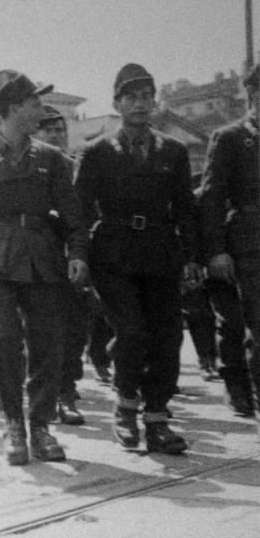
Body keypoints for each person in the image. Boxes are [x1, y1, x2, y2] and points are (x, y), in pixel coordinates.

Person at [0, 74, 89, 465]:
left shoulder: (52, 159)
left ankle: (40, 426)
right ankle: (13, 424)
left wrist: (78, 253)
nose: (41, 111)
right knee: (3, 343)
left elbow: (74, 215)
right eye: (34, 103)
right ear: (12, 109)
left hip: (42, 260)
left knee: (49, 345)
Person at [74, 63, 200, 454]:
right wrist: (78, 255)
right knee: (130, 331)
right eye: (132, 98)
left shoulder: (173, 151)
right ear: (117, 103)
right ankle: (126, 408)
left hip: (161, 254)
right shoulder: (96, 152)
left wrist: (193, 256)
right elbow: (78, 209)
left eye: (147, 97)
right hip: (113, 255)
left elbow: (185, 208)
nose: (141, 105)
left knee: (167, 336)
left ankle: (158, 419)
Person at [201, 63, 260, 417]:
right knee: (250, 321)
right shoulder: (230, 137)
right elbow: (211, 196)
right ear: (253, 95)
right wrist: (216, 250)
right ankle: (239, 385)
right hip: (250, 240)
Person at [35, 105, 91, 425]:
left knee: (74, 330)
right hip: (37, 258)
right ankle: (46, 391)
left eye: (60, 130)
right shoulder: (28, 168)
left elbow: (85, 213)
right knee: (41, 330)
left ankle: (66, 391)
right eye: (49, 130)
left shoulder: (75, 168)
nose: (56, 135)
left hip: (70, 257)